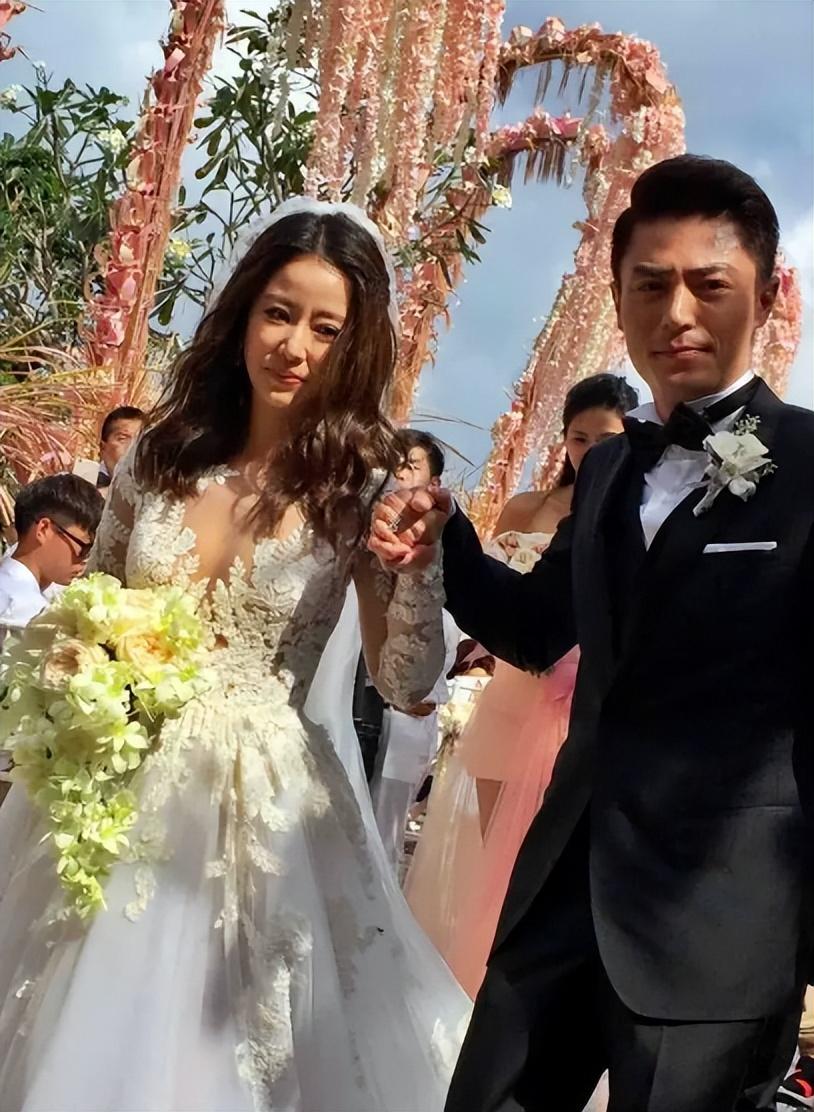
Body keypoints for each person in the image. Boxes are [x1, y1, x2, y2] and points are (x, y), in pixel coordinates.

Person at [0, 199, 470, 1111]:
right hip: (115, 768)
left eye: (326, 328)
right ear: (244, 313)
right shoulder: (160, 455)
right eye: (278, 313)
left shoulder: (360, 490)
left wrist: (417, 571)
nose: (294, 346)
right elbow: (96, 603)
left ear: (356, 344)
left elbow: (407, 685)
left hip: (261, 808)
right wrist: (71, 694)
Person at [371, 155, 814, 1111]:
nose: (677, 313)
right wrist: (447, 539)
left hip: (722, 920)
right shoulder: (609, 469)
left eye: (709, 284)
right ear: (618, 299)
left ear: (768, 296)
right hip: (563, 890)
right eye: (650, 286)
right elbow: (538, 631)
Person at [405, 374, 637, 1000]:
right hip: (513, 691)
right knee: (496, 854)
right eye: (579, 438)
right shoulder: (528, 508)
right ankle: (481, 984)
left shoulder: (628, 513)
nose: (589, 451)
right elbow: (495, 595)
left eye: (606, 439)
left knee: (548, 858)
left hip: (573, 703)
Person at [370, 429, 460, 874]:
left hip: (410, 715)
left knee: (384, 833)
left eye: (410, 466)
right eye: (393, 464)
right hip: (361, 706)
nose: (399, 474)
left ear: (434, 481)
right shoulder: (362, 526)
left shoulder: (447, 542)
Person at [0, 474, 103, 803]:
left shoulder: (33, 592)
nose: (83, 560)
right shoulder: (21, 608)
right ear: (43, 529)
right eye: (82, 547)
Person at [96, 405, 146, 490]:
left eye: (140, 440)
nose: (132, 447)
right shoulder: (83, 491)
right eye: (123, 439)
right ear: (103, 449)